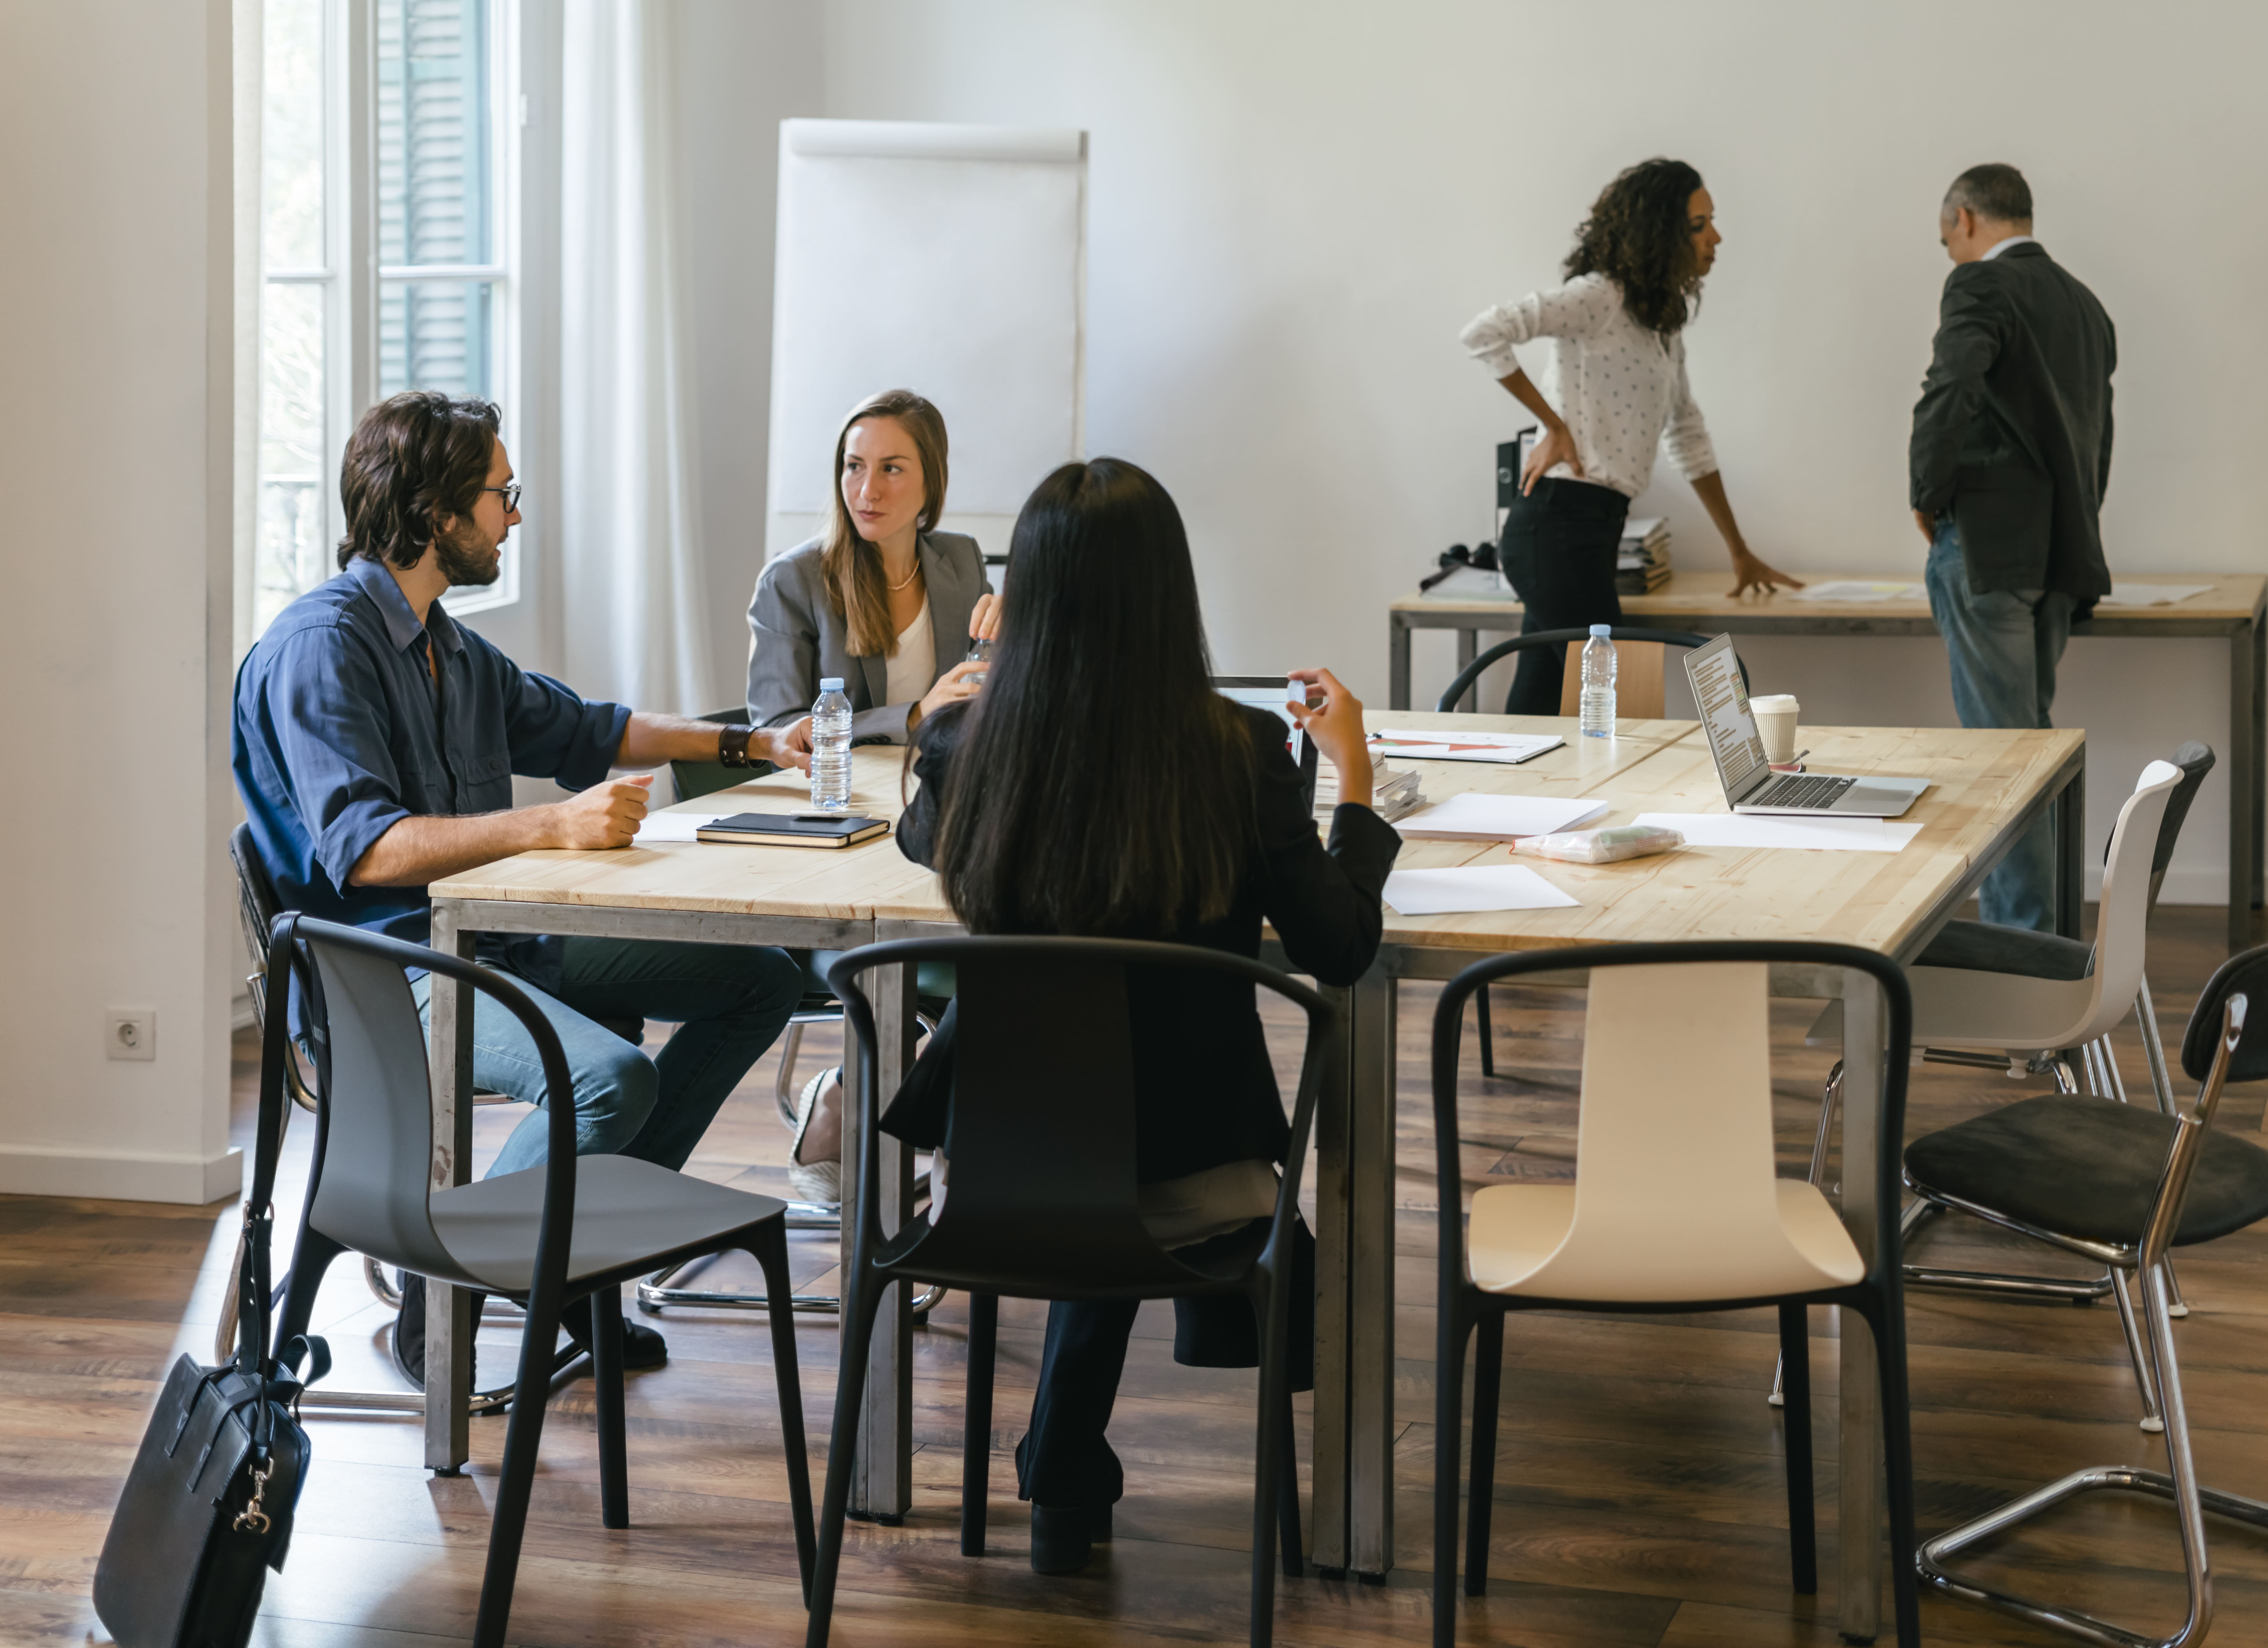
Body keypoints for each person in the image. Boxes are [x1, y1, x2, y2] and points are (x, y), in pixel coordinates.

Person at [884, 458, 1400, 1576]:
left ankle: (1062, 1449)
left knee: (1090, 1098)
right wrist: (1351, 775)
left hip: (995, 1168)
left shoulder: (972, 747)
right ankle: (1084, 1437)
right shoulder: (1240, 751)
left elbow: (926, 843)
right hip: (1188, 1166)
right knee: (1136, 1103)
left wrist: (952, 702)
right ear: (1173, 592)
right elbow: (1340, 945)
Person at [233, 390, 812, 1384]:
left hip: (489, 937)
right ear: (436, 514)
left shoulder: (446, 644)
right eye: (502, 493)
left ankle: (573, 1261)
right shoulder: (322, 648)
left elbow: (588, 726)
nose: (515, 512)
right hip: (384, 974)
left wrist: (749, 743)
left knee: (756, 981)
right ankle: (458, 1279)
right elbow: (367, 851)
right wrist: (554, 822)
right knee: (609, 1077)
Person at [745, 389, 999, 1208]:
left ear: (932, 484)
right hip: (840, 840)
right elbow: (782, 727)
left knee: (1011, 934)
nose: (869, 489)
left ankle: (902, 1108)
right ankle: (888, 1106)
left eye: (893, 468)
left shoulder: (960, 562)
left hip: (943, 824)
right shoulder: (796, 579)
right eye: (855, 467)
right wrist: (917, 716)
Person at [1461, 157, 1800, 714]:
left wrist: (1739, 551)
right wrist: (1553, 424)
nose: (1715, 237)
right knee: (1616, 710)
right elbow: (1484, 333)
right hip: (1557, 527)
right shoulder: (1599, 298)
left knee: (1543, 714)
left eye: (1712, 221)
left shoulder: (1660, 324)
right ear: (1659, 232)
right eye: (1698, 225)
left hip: (1590, 536)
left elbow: (1688, 434)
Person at [1909, 163, 2117, 932]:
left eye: (1946, 241)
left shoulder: (1979, 288)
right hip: (2059, 557)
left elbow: (1946, 390)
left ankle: (2022, 950)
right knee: (2032, 756)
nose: (1951, 257)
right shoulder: (2084, 304)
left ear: (1965, 218)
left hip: (1991, 550)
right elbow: (2099, 439)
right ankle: (2047, 937)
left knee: (2003, 761)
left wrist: (1926, 493)